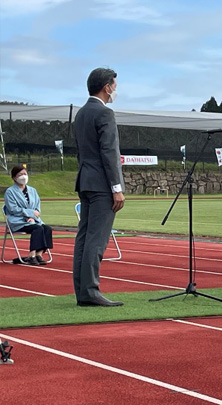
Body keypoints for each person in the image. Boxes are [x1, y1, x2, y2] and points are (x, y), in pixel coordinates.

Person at [73, 67, 125, 307]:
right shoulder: (105, 114)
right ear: (106, 87)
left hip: (85, 180)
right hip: (102, 184)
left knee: (83, 237)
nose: (115, 89)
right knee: (97, 239)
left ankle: (82, 290)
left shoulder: (81, 114)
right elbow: (109, 153)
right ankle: (91, 290)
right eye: (114, 85)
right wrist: (117, 187)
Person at [3, 166, 53, 265]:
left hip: (33, 220)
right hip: (18, 220)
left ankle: (39, 254)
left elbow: (37, 207)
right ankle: (31, 254)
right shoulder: (10, 192)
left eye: (25, 174)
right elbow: (13, 209)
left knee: (47, 229)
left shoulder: (32, 190)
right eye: (20, 175)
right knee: (38, 229)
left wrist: (33, 216)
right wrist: (29, 214)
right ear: (14, 177)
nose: (23, 176)